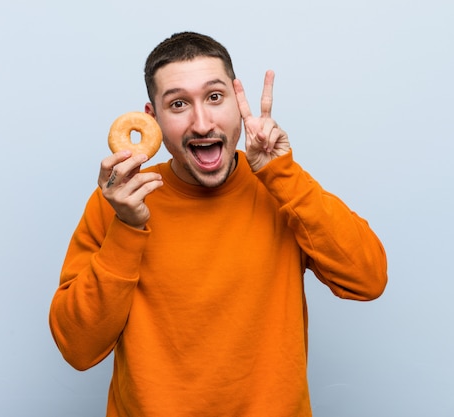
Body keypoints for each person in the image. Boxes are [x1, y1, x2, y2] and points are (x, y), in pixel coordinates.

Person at [49, 31, 388, 417]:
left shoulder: (280, 189)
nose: (202, 122)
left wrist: (282, 175)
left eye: (214, 97)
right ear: (153, 119)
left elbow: (368, 278)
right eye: (178, 104)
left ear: (235, 99)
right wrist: (127, 228)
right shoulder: (118, 201)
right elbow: (77, 348)